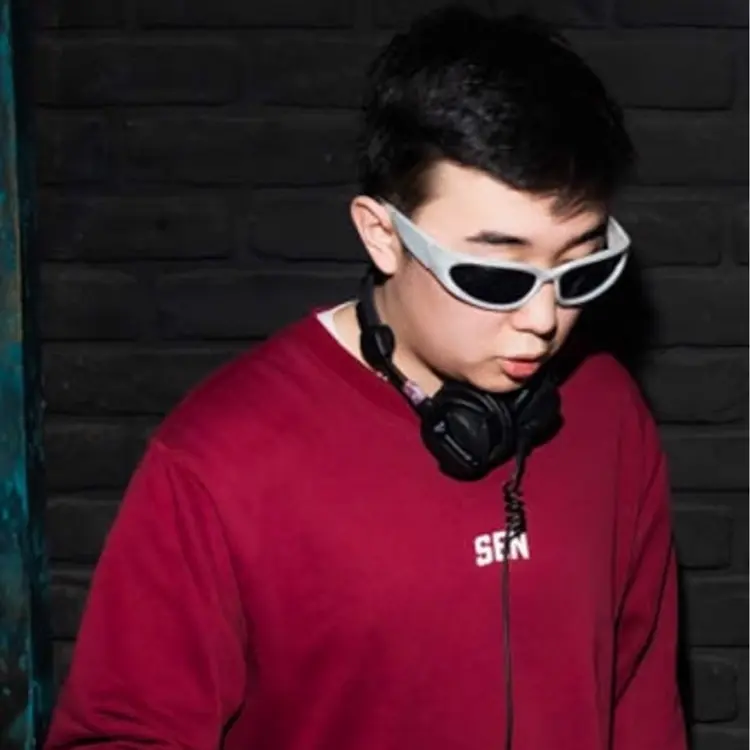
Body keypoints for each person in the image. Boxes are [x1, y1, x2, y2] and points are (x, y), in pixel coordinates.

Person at [44, 6, 687, 750]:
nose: (544, 319)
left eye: (579, 268)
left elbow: (644, 709)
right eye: (494, 276)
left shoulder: (608, 411)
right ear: (383, 235)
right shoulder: (220, 461)